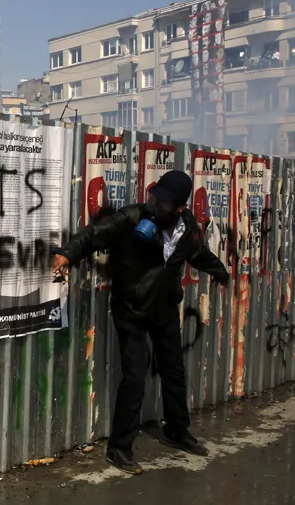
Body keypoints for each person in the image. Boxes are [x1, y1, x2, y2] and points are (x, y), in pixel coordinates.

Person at [51, 170, 230, 475]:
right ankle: (119, 448)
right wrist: (68, 254)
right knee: (134, 378)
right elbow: (95, 234)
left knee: (174, 372)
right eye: (155, 198)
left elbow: (196, 252)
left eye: (165, 202)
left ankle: (177, 431)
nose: (156, 205)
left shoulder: (186, 227)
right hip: (131, 310)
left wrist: (220, 271)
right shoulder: (132, 217)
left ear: (181, 207)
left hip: (164, 310)